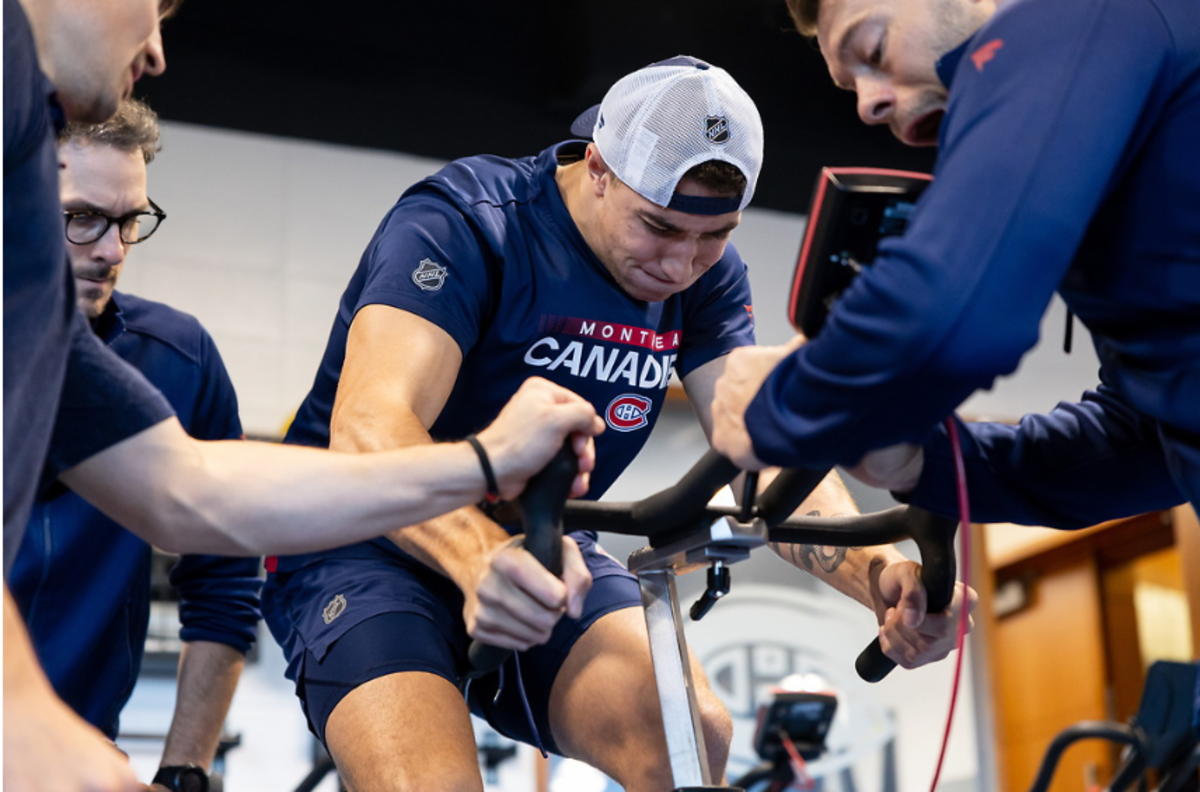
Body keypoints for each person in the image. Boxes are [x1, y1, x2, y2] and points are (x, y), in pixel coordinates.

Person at [262, 56, 973, 792]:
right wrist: (477, 559)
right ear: (597, 167)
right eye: (659, 227)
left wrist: (881, 578)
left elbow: (765, 451)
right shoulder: (468, 223)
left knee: (690, 736)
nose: (681, 266)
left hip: (543, 546)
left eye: (715, 235)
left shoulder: (707, 282)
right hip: (363, 545)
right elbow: (370, 430)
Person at [4, 1, 602, 789]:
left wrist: (480, 462)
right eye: (149, 6)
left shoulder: (62, 327)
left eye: (126, 222)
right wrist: (24, 714)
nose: (155, 52)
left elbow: (186, 487)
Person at [711, 0, 1198, 523]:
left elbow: (951, 316)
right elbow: (1144, 440)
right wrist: (928, 465)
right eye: (852, 87)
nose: (867, 107)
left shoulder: (1078, 14)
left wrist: (778, 404)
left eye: (873, 49)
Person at [8, 98, 263, 792]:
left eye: (130, 221)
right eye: (82, 218)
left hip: (83, 758)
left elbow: (225, 573)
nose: (114, 250)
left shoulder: (177, 361)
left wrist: (185, 768)